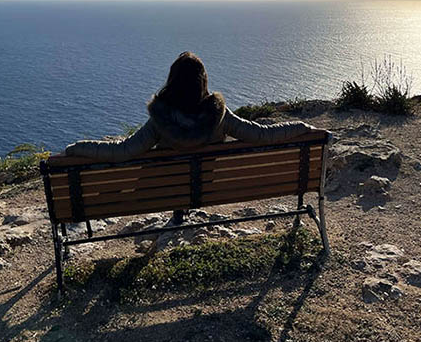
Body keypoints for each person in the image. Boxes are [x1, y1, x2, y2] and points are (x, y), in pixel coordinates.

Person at [64, 51, 322, 222]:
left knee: (167, 173)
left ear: (172, 81)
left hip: (165, 190)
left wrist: (76, 148)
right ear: (203, 81)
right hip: (208, 188)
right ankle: (185, 201)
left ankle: (179, 208)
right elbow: (262, 134)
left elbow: (122, 151)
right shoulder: (220, 115)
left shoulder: (160, 119)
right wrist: (302, 127)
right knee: (193, 172)